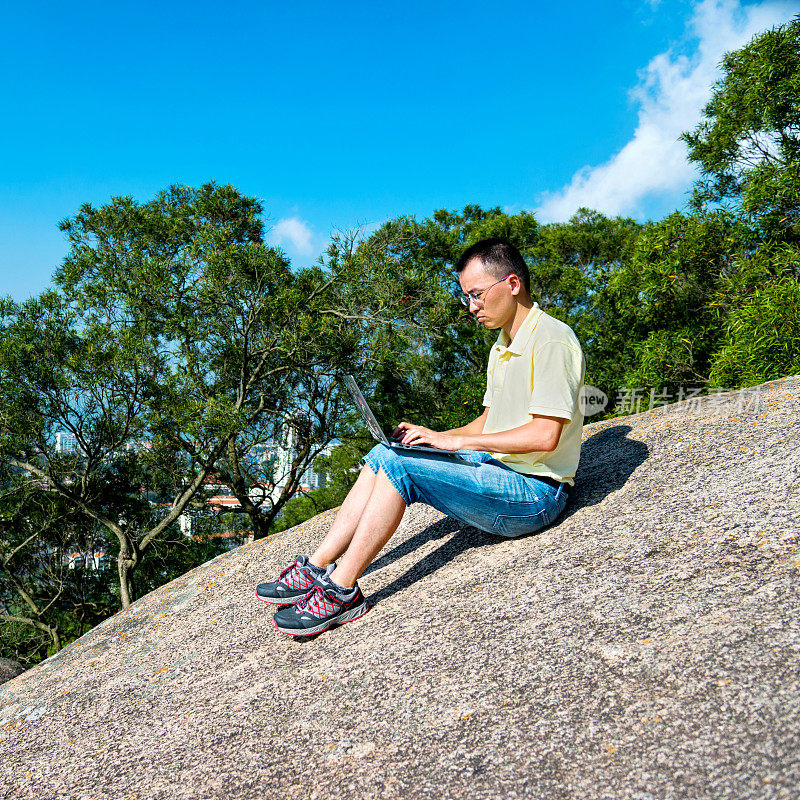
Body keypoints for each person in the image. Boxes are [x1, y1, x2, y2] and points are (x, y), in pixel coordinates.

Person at [256, 238, 585, 636]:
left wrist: (459, 445)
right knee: (386, 452)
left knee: (400, 468)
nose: (472, 307)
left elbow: (546, 434)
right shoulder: (503, 346)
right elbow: (490, 422)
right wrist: (436, 436)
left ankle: (343, 592)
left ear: (512, 284)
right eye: (467, 297)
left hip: (535, 494)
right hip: (499, 470)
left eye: (477, 295)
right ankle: (316, 566)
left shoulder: (551, 339)